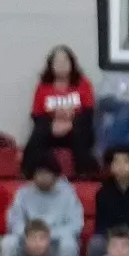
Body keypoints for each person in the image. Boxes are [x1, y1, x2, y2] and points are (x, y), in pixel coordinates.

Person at [4, 149, 84, 256]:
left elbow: (76, 224)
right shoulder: (23, 193)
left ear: (55, 174)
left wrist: (46, 237)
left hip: (57, 238)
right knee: (8, 243)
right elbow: (14, 221)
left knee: (69, 246)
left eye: (46, 173)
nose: (43, 177)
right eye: (39, 173)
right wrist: (32, 237)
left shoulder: (68, 193)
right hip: (28, 238)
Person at [25, 45, 97, 177]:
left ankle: (85, 173)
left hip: (76, 130)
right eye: (57, 62)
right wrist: (52, 125)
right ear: (51, 66)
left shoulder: (83, 84)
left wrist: (71, 124)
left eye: (65, 61)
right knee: (40, 129)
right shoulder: (43, 87)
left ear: (72, 63)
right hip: (51, 132)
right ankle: (30, 172)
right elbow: (36, 115)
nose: (61, 65)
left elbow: (89, 113)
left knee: (81, 128)